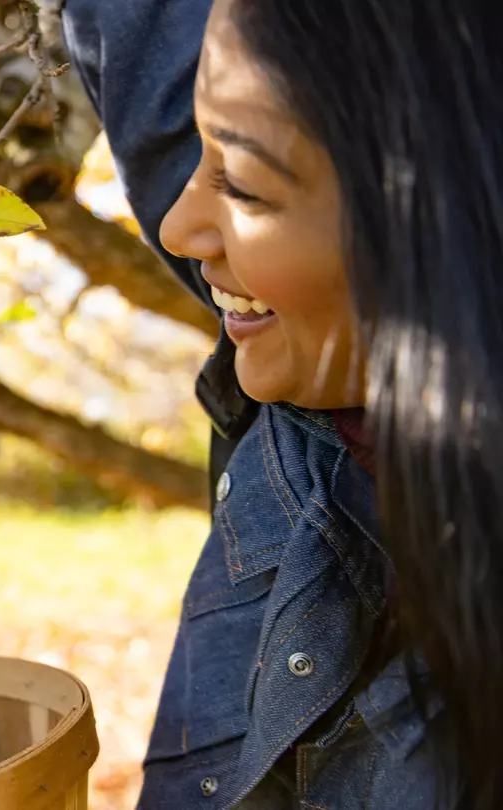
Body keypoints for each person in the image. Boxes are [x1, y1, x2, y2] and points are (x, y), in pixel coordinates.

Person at [64, 0, 503, 807]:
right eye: (200, 149)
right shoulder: (305, 330)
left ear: (435, 217)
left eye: (245, 187)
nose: (178, 228)